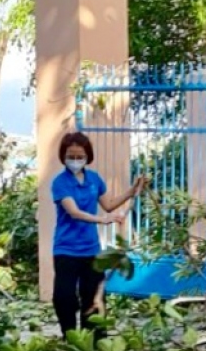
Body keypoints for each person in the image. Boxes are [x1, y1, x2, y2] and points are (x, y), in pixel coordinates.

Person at [51, 132, 145, 338]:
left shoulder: (94, 179)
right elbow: (74, 212)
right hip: (66, 249)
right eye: (71, 156)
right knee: (63, 297)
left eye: (79, 156)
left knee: (93, 296)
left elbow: (109, 204)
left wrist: (132, 191)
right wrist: (102, 220)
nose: (75, 160)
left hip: (91, 249)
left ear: (87, 156)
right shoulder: (60, 183)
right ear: (64, 156)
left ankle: (95, 339)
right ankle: (70, 336)